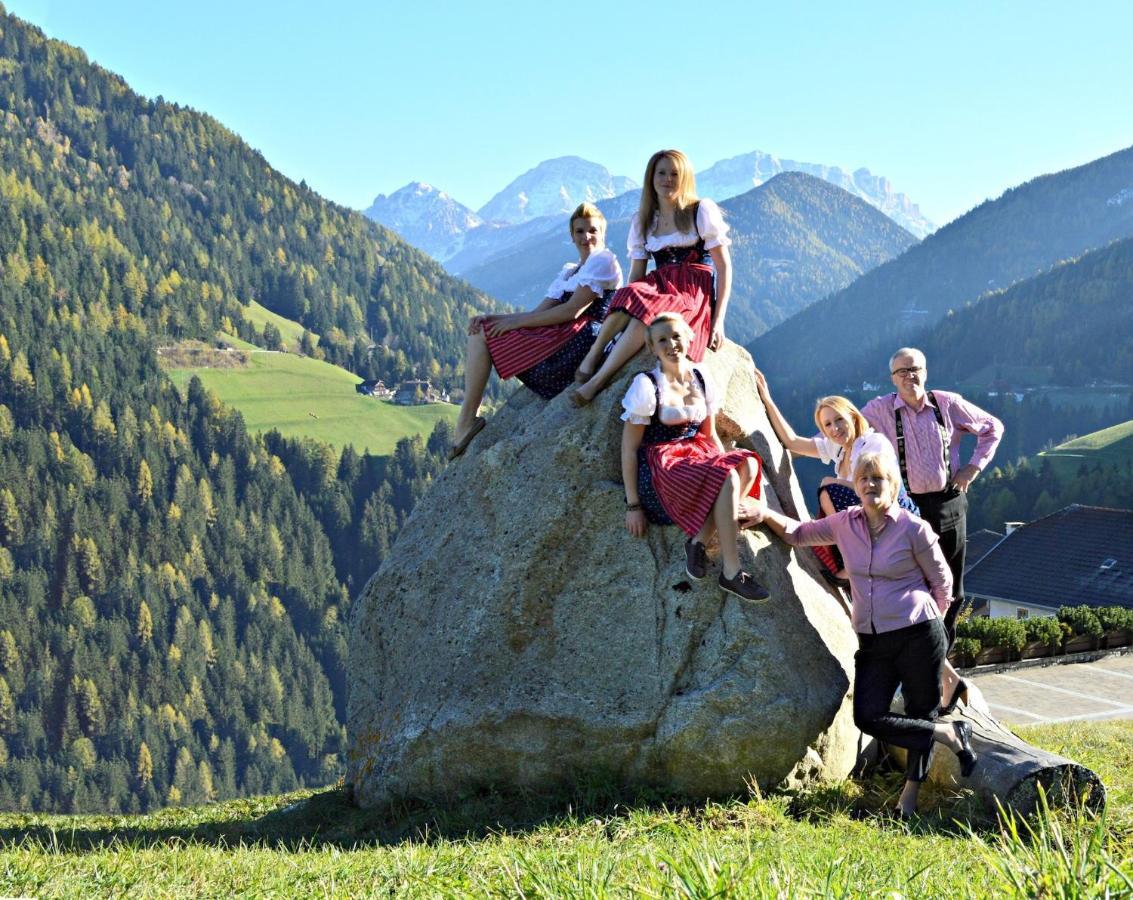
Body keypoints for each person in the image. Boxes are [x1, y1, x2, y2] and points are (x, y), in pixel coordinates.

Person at [749, 451, 978, 818]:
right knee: (868, 715)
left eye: (879, 479)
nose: (871, 485)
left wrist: (928, 621)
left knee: (921, 709)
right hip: (873, 640)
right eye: (864, 479)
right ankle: (948, 735)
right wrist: (763, 513)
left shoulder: (913, 528)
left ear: (893, 485)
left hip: (918, 633)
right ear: (855, 486)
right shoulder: (844, 524)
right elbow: (797, 532)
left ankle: (908, 801)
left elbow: (943, 583)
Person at [860, 347, 1004, 712]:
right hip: (905, 510)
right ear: (892, 379)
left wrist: (973, 467)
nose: (910, 376)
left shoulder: (947, 403)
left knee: (949, 593)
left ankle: (937, 673)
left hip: (947, 505)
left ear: (926, 371)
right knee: (909, 593)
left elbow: (992, 428)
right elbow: (842, 433)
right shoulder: (879, 409)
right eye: (901, 371)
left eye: (915, 369)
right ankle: (927, 678)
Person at [449, 202, 623, 459]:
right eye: (579, 231)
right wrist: (494, 317)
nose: (586, 237)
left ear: (603, 233)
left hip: (580, 341)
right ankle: (467, 421)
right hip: (559, 336)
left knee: (484, 335)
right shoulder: (570, 271)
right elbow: (537, 313)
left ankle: (466, 424)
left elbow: (571, 311)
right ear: (571, 236)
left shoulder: (603, 262)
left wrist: (514, 324)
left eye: (592, 230)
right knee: (480, 330)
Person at [621, 312, 767, 602]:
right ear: (652, 348)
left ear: (688, 338)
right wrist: (633, 504)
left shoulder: (700, 377)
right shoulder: (647, 386)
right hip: (663, 468)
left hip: (697, 454)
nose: (671, 344)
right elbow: (629, 449)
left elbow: (710, 434)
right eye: (662, 339)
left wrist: (726, 469)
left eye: (676, 336)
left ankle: (698, 541)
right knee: (726, 476)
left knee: (747, 462)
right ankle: (731, 571)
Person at [571, 149, 732, 406]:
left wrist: (718, 320)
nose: (667, 179)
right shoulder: (644, 220)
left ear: (685, 178)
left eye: (674, 173)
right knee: (630, 294)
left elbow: (724, 267)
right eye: (662, 173)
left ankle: (598, 381)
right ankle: (592, 355)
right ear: (651, 178)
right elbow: (636, 275)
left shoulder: (700, 210)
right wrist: (625, 303)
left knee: (648, 316)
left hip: (691, 289)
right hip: (658, 285)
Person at [753, 371, 918, 581]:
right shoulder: (838, 448)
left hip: (892, 514)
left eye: (839, 419)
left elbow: (876, 488)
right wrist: (766, 399)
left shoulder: (873, 443)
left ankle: (854, 564)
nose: (835, 428)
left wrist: (832, 482)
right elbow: (793, 442)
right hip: (867, 516)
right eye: (827, 424)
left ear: (853, 416)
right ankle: (853, 558)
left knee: (830, 490)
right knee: (829, 490)